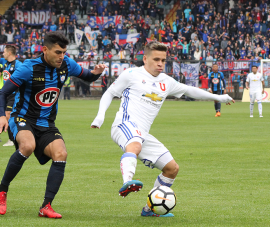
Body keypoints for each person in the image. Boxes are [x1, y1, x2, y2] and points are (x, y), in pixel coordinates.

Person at [90, 41, 234, 217]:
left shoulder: (167, 82)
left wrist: (218, 96)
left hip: (143, 134)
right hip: (124, 124)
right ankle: (127, 181)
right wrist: (100, 115)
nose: (160, 63)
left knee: (172, 169)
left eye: (163, 60)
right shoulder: (131, 74)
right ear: (145, 59)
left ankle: (150, 208)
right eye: (156, 59)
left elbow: (190, 91)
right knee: (134, 145)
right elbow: (109, 93)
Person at [0, 32, 106, 219]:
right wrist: (2, 117)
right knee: (27, 145)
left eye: (64, 52)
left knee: (61, 154)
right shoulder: (29, 68)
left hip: (46, 123)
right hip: (22, 118)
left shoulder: (67, 64)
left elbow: (87, 76)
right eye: (58, 52)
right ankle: (2, 191)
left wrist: (96, 73)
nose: (62, 56)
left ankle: (46, 206)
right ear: (45, 50)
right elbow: (3, 93)